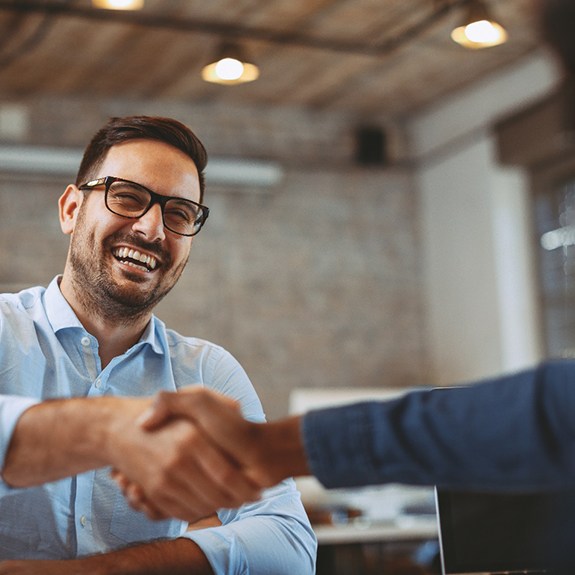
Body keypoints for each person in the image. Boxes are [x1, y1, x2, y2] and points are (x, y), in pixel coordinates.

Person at [0, 115, 316, 574]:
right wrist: (107, 429)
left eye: (179, 214)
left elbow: (288, 545)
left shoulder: (209, 373)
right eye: (127, 197)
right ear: (71, 210)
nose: (152, 230)